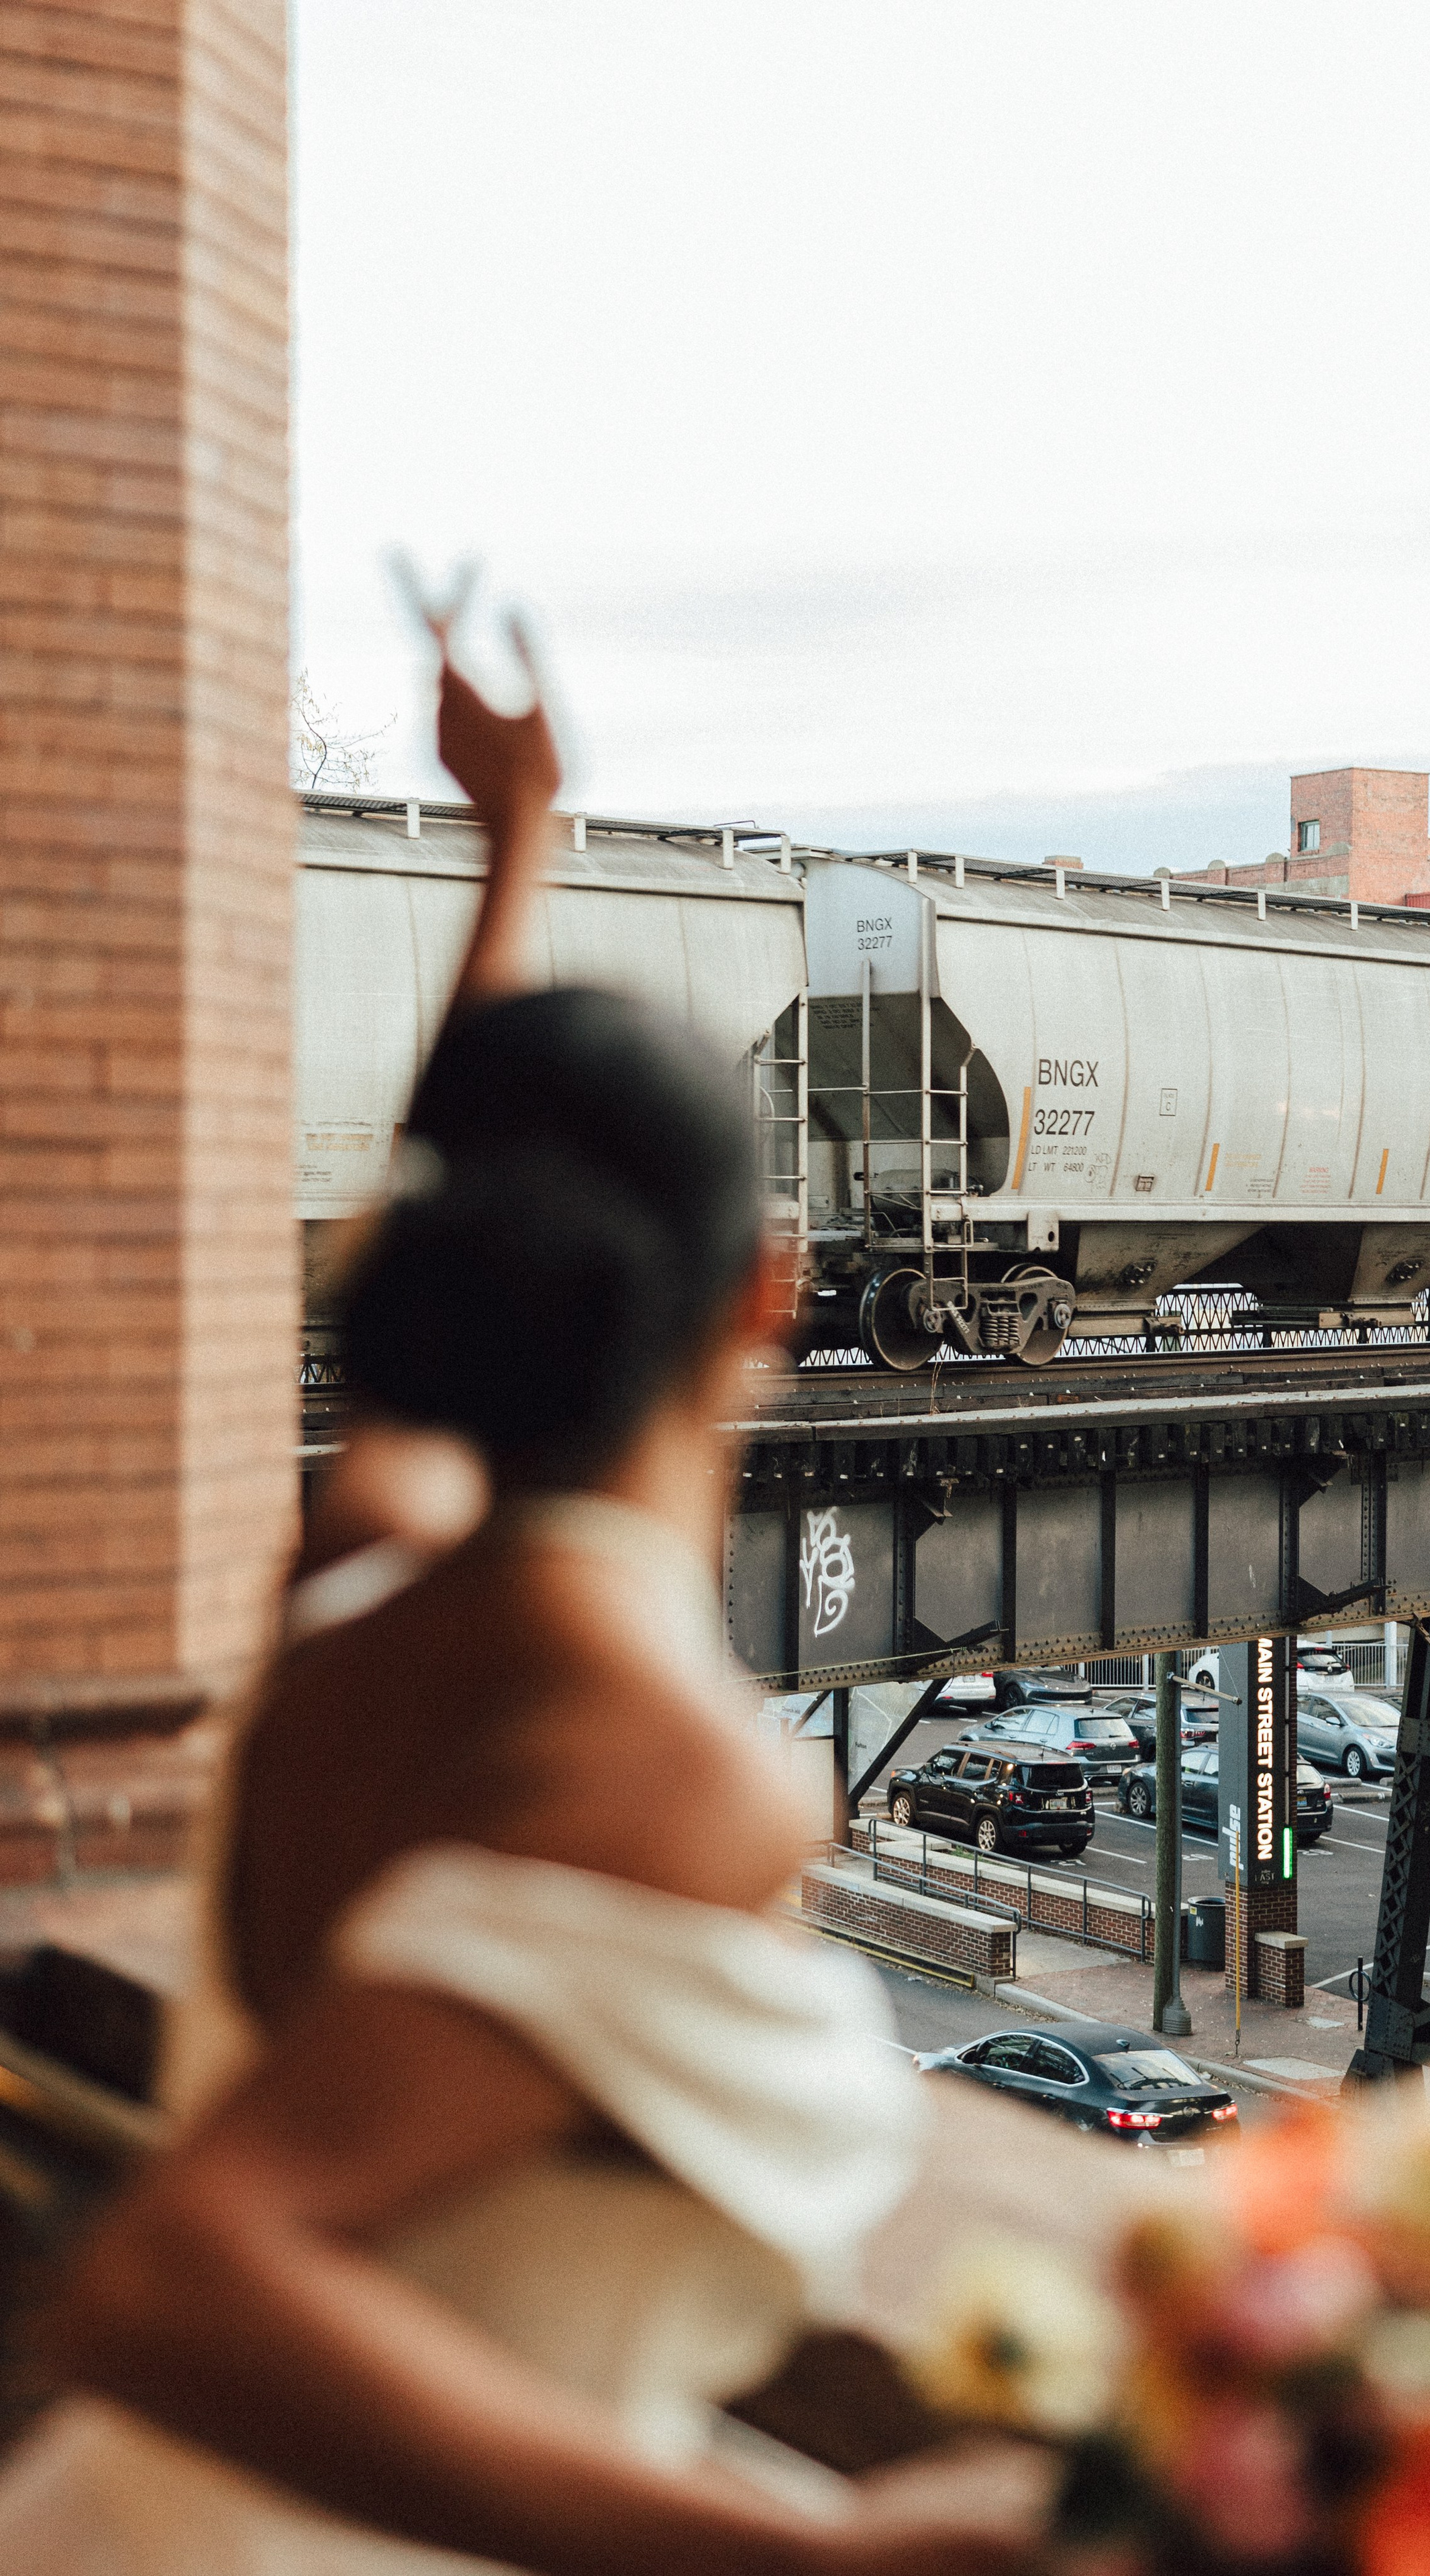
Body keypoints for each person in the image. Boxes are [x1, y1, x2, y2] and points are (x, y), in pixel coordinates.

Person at [0, 991, 1049, 2574]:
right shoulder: (662, 1766)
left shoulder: (357, 1593)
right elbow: (164, 2282)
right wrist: (811, 2560)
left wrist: (503, 883)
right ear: (768, 1289)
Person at [293, 604, 572, 1591]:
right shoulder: (677, 1697)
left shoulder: (367, 1559)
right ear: (755, 1299)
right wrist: (524, 829)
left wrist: (515, 827)